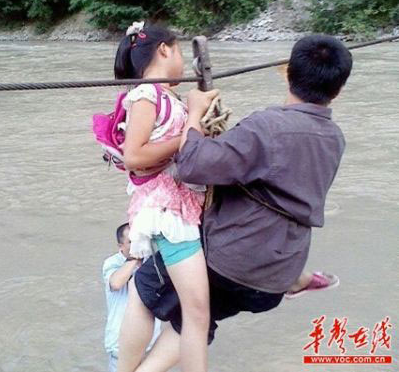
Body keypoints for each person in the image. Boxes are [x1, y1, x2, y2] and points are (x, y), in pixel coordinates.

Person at [121, 34, 353, 371]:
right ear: (339, 89)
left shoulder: (268, 127)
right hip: (273, 280)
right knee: (193, 321)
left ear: (288, 73)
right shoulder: (335, 139)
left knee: (144, 286)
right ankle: (298, 279)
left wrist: (194, 116)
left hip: (231, 264)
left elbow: (192, 165)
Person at [113, 24, 211, 372]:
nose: (183, 59)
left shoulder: (163, 95)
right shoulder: (146, 94)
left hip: (174, 207)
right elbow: (134, 157)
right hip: (166, 211)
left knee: (193, 312)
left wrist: (194, 120)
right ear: (165, 50)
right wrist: (193, 124)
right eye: (180, 50)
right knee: (198, 313)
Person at [103, 223, 161, 372]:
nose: (136, 244)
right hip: (120, 349)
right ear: (120, 246)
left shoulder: (153, 262)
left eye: (139, 240)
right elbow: (116, 283)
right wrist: (135, 258)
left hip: (151, 348)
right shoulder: (112, 263)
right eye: (131, 242)